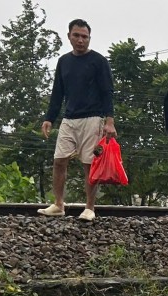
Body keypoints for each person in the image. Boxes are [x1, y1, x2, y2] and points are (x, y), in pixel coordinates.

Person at [37, 18, 116, 222]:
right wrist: (49, 118)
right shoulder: (64, 62)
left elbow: (108, 91)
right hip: (69, 118)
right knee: (59, 161)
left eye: (85, 37)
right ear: (69, 36)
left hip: (93, 118)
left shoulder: (98, 61)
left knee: (89, 163)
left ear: (89, 38)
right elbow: (57, 92)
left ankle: (90, 207)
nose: (81, 40)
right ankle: (58, 204)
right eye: (77, 36)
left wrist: (109, 121)